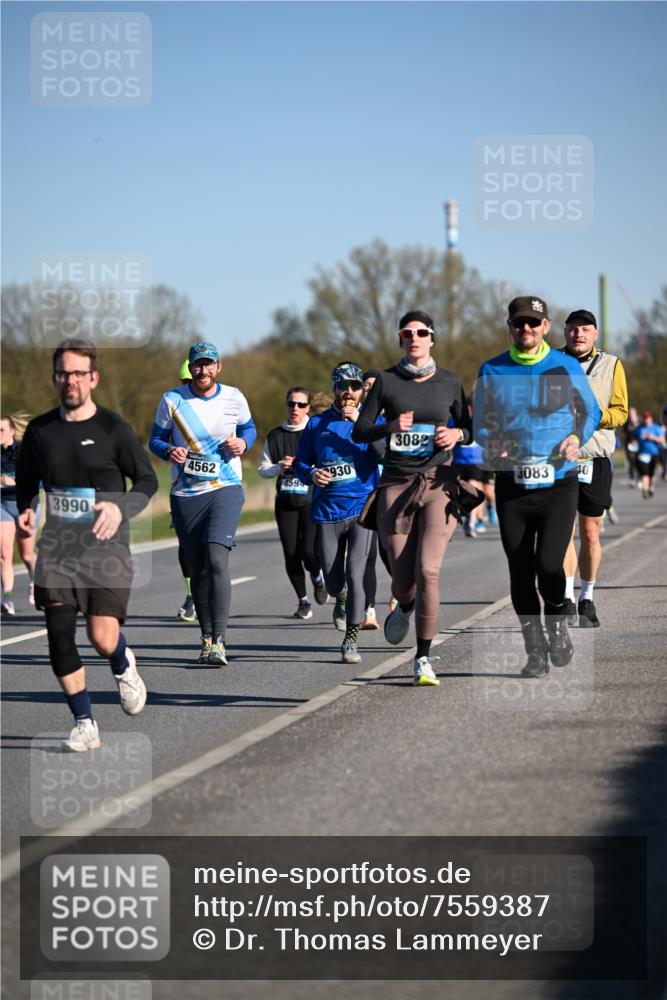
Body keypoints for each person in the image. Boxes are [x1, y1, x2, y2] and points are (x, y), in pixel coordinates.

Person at [16, 339, 158, 751]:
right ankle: (84, 722)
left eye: (79, 373)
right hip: (58, 548)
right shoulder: (41, 431)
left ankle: (121, 663)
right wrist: (26, 507)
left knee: (100, 637)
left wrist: (121, 509)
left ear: (93, 378)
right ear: (55, 377)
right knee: (59, 635)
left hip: (106, 549)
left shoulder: (113, 428)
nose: (70, 381)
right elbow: (27, 478)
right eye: (63, 373)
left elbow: (146, 480)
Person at [473, 296, 600, 678]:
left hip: (559, 482)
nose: (525, 330)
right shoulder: (492, 370)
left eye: (533, 323)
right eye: (518, 324)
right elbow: (479, 423)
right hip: (512, 484)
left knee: (548, 564)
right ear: (510, 327)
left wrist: (577, 438)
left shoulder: (564, 365)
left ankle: (558, 627)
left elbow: (590, 410)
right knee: (519, 571)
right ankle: (535, 651)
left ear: (546, 327)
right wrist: (491, 441)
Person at [353, 311, 476, 687]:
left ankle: (423, 658)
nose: (415, 337)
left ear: (432, 339)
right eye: (407, 333)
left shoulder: (450, 382)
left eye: (422, 332)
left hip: (439, 483)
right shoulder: (387, 382)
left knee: (429, 571)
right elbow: (360, 431)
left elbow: (470, 428)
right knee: (403, 580)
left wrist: (456, 437)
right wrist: (388, 427)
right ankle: (404, 605)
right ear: (401, 339)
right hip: (395, 483)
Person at [150, 341, 256, 666]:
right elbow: (154, 439)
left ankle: (220, 640)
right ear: (191, 367)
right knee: (197, 568)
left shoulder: (234, 397)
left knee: (216, 557)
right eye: (198, 364)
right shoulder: (172, 400)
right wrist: (169, 451)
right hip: (186, 495)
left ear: (218, 367)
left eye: (209, 364)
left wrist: (243, 442)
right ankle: (207, 637)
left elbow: (249, 429)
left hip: (226, 487)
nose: (203, 370)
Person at [294, 362, 380, 664]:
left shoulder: (371, 419)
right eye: (343, 386)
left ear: (360, 392)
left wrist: (361, 423)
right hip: (327, 511)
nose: (349, 392)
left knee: (356, 574)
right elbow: (300, 463)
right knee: (333, 580)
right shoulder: (316, 424)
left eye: (355, 386)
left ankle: (351, 640)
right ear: (335, 388)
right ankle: (339, 598)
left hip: (362, 509)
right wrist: (312, 474)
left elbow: (386, 452)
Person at [560, 310, 628, 627]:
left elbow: (621, 412)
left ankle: (587, 596)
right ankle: (567, 599)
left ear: (595, 334)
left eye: (585, 330)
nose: (579, 335)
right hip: (559, 459)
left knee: (589, 532)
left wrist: (594, 415)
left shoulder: (612, 365)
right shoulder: (550, 363)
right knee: (561, 532)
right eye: (573, 330)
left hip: (595, 459)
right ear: (565, 333)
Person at [258, 386, 327, 619]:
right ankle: (303, 601)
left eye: (301, 404)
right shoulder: (276, 435)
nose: (295, 409)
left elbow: (327, 462)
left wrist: (303, 466)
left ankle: (317, 577)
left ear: (308, 407)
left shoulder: (316, 430)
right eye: (291, 404)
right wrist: (280, 467)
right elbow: (263, 469)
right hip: (285, 501)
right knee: (291, 553)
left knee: (309, 551)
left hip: (310, 499)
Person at [1, 413, 39, 613]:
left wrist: (13, 483)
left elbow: (39, 481)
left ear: (12, 432)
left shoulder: (24, 451)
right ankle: (6, 598)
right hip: (2, 506)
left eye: (1, 430)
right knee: (4, 554)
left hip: (25, 505)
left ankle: (34, 582)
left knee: (26, 554)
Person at [452, 398, 496, 538]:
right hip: (459, 462)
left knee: (483, 491)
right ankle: (474, 518)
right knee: (465, 492)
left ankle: (473, 520)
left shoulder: (485, 420)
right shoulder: (454, 420)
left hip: (479, 462)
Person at [175, 359, 197, 622]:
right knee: (185, 544)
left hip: (214, 488)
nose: (187, 387)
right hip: (182, 487)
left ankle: (208, 590)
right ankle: (192, 594)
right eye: (184, 382)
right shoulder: (173, 406)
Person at [633, 410, 665, 498]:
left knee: (652, 473)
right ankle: (645, 491)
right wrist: (633, 443)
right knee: (645, 473)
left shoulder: (656, 428)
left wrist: (653, 437)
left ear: (651, 419)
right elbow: (634, 438)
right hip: (642, 454)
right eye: (645, 418)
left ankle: (651, 487)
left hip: (654, 454)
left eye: (648, 418)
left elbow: (662, 441)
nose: (646, 420)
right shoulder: (639, 428)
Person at [623, 406, 641, 487]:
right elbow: (624, 434)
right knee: (631, 462)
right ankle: (632, 478)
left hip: (639, 445)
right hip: (630, 446)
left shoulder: (640, 421)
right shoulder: (627, 423)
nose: (631, 414)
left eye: (632, 413)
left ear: (635, 413)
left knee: (639, 461)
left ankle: (639, 478)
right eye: (629, 413)